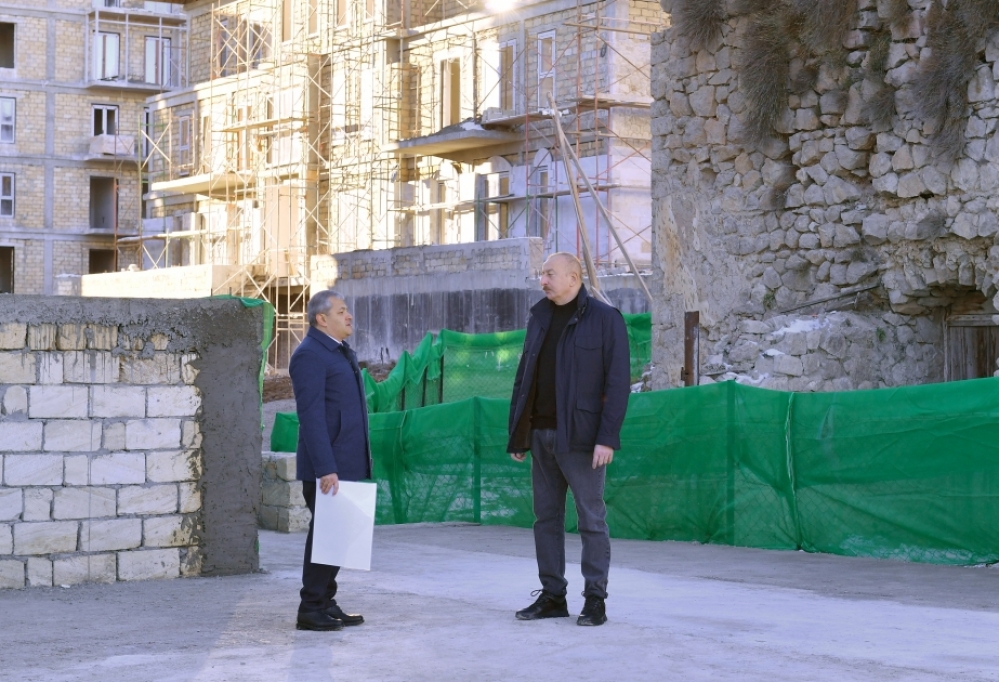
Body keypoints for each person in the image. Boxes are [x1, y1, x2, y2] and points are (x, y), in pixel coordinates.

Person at [507, 252, 631, 627]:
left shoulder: (606, 319)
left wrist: (607, 438)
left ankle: (595, 599)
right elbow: (524, 377)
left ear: (574, 278)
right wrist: (518, 434)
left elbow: (617, 383)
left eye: (549, 274)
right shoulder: (539, 317)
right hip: (540, 435)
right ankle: (552, 596)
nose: (542, 280)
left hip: (582, 439)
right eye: (542, 274)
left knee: (591, 519)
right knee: (545, 519)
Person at [288, 289, 372, 632]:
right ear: (322, 319)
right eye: (341, 311)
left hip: (345, 462)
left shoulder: (337, 351)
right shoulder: (310, 355)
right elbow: (311, 417)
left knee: (338, 534)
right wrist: (325, 468)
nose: (349, 316)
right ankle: (310, 607)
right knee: (327, 534)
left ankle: (325, 601)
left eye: (347, 310)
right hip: (328, 467)